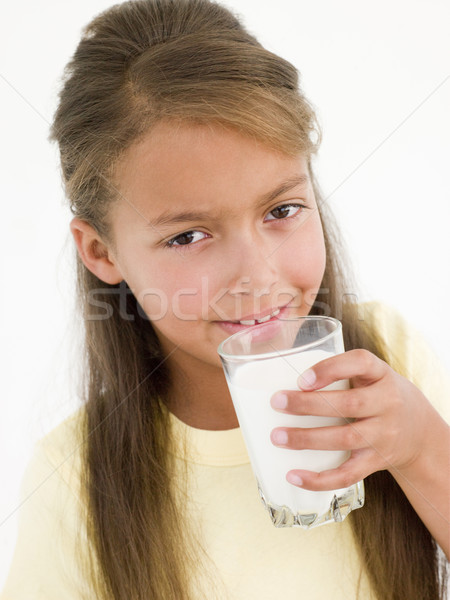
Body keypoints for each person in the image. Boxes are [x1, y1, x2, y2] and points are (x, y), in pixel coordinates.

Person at [2, 0, 449, 598]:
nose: (257, 277)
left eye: (281, 210)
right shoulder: (72, 481)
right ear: (102, 252)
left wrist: (421, 447)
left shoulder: (389, 359)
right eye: (188, 236)